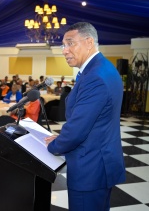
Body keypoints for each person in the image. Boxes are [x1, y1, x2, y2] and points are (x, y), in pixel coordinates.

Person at [45, 22, 125, 211]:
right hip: (100, 161)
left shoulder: (95, 76)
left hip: (90, 168)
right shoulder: (103, 68)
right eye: (63, 45)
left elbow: (77, 128)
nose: (65, 51)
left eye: (70, 43)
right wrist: (62, 138)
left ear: (89, 42)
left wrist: (53, 145)